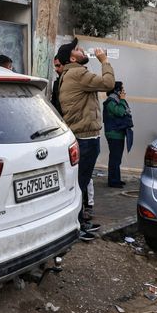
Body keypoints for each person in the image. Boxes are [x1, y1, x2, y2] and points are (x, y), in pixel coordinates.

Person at [56, 37, 115, 241]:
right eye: (78, 49)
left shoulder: (70, 74)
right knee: (79, 183)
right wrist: (104, 60)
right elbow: (109, 83)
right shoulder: (78, 73)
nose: (83, 51)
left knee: (80, 182)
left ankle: (81, 221)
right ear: (73, 56)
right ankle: (76, 227)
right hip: (84, 138)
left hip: (83, 136)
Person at [102, 81, 133, 188]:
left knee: (117, 158)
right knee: (115, 158)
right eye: (122, 89)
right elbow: (120, 112)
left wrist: (122, 100)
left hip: (118, 133)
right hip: (113, 134)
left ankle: (116, 178)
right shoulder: (111, 102)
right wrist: (123, 100)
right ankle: (113, 181)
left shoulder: (116, 100)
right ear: (117, 90)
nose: (123, 91)